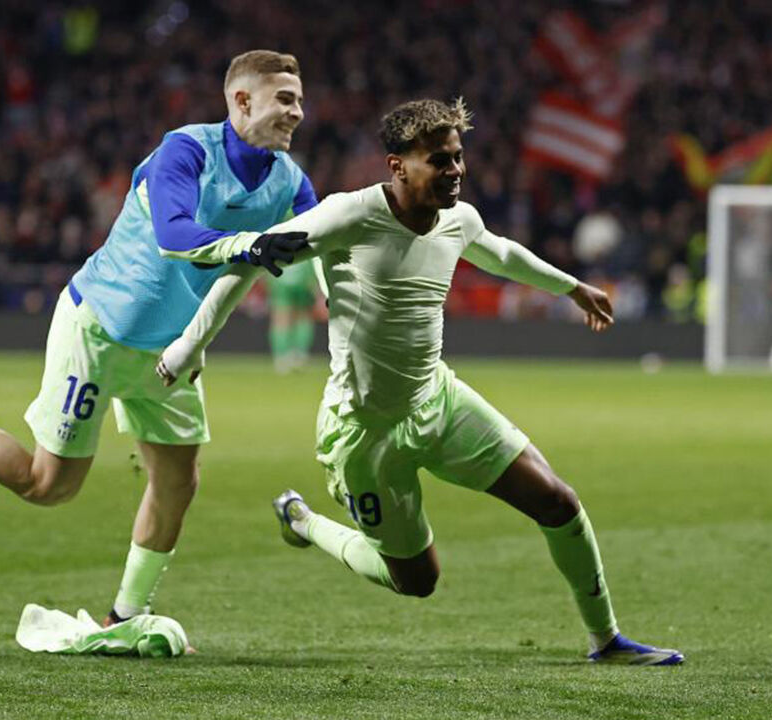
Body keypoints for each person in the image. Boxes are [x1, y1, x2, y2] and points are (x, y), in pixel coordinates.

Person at [156, 98, 684, 665]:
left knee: (557, 501)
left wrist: (572, 287)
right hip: (364, 433)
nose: (455, 170)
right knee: (416, 580)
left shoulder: (460, 219)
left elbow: (501, 254)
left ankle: (606, 640)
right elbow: (251, 260)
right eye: (439, 160)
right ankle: (303, 521)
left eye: (457, 157)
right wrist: (189, 346)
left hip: (438, 400)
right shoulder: (348, 216)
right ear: (398, 166)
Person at [0, 50, 313, 629]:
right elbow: (173, 235)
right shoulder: (187, 151)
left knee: (178, 482)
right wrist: (250, 245)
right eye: (284, 99)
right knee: (47, 486)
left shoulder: (289, 180)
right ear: (241, 101)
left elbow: (326, 238)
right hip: (98, 331)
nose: (298, 112)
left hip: (171, 352)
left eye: (299, 99)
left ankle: (126, 616)